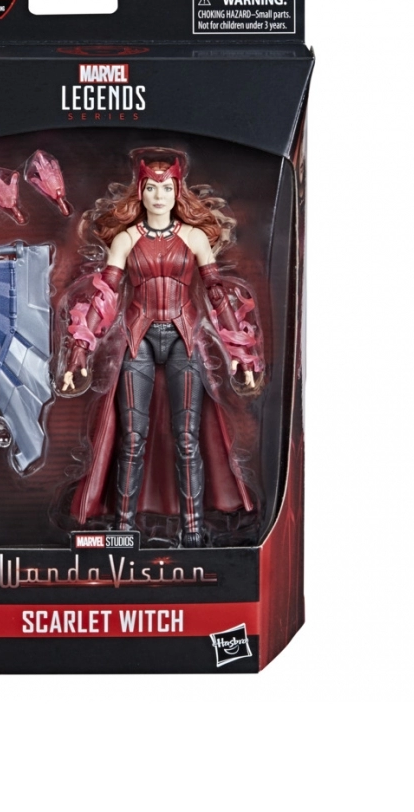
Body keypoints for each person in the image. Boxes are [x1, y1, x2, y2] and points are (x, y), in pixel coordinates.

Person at [61, 150, 264, 547]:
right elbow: (104, 295)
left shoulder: (193, 238)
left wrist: (241, 352)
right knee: (132, 439)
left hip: (184, 338)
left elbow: (217, 294)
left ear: (177, 191)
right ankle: (123, 529)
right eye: (151, 188)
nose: (159, 196)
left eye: (166, 188)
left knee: (187, 439)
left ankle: (192, 530)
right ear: (140, 191)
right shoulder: (126, 239)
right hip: (137, 338)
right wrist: (79, 350)